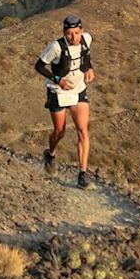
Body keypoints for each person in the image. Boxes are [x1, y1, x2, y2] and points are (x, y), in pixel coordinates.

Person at [35, 14, 95, 188]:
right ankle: (50, 154)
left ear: (81, 31)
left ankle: (83, 174)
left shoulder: (87, 39)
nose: (73, 37)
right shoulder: (55, 47)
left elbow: (86, 56)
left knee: (83, 131)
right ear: (64, 33)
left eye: (76, 33)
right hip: (58, 92)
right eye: (69, 34)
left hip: (78, 90)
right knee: (59, 132)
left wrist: (89, 68)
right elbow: (39, 66)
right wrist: (57, 79)